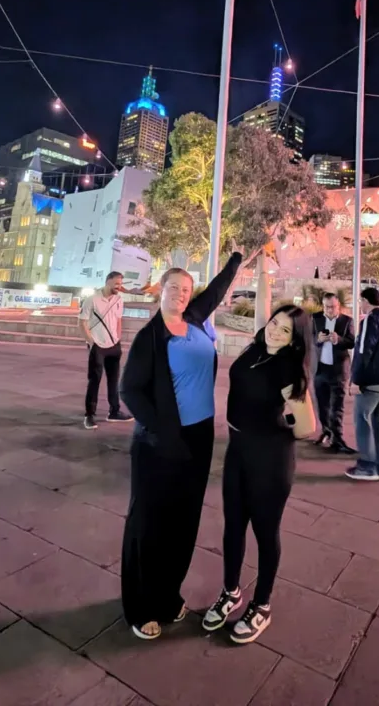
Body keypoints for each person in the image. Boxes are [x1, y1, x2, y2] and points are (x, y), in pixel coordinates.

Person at [119, 251, 243, 641]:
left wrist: (238, 258)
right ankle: (140, 607)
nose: (181, 295)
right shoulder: (149, 337)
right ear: (161, 290)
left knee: (183, 523)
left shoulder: (194, 321)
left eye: (187, 290)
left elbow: (218, 290)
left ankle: (168, 594)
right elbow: (130, 391)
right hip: (158, 442)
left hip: (199, 437)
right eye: (174, 287)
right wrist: (160, 431)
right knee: (149, 524)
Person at [203, 305, 313, 644]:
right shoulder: (254, 349)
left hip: (270, 459)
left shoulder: (288, 369)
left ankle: (261, 604)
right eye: (274, 323)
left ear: (295, 340)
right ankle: (231, 591)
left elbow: (308, 427)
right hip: (238, 452)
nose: (275, 332)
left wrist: (277, 427)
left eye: (285, 331)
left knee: (266, 533)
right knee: (233, 527)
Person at [346, 288, 379, 482]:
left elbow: (363, 351)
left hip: (372, 382)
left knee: (362, 420)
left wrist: (356, 380)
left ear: (364, 300)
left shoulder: (370, 320)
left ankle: (367, 466)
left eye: (360, 301)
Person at [79, 272, 132, 428]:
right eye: (116, 283)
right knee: (94, 380)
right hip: (98, 346)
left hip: (114, 345)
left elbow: (118, 320)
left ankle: (114, 411)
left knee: (114, 380)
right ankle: (89, 415)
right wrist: (92, 342)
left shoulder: (118, 300)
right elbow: (82, 323)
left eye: (120, 284)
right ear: (108, 282)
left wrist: (118, 338)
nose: (119, 287)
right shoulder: (92, 299)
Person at [311, 293, 356, 454]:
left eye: (333, 307)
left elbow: (351, 342)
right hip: (320, 369)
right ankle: (326, 431)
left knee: (337, 406)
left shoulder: (347, 321)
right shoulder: (315, 318)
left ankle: (338, 438)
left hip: (338, 371)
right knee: (322, 405)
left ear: (339, 306)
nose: (330, 310)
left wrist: (338, 339)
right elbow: (308, 339)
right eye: (326, 307)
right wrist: (318, 339)